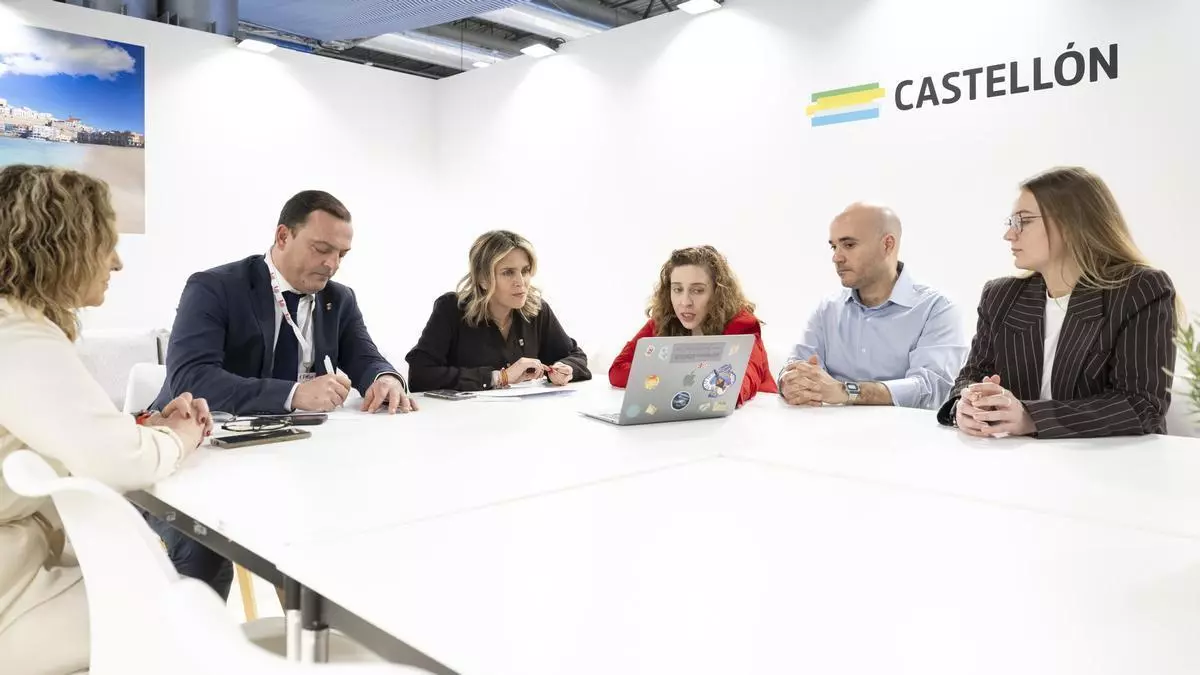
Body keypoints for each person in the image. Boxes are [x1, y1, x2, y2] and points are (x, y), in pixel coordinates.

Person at [148, 189, 414, 599]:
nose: (332, 264)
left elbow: (366, 357)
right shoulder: (215, 287)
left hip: (290, 457)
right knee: (202, 553)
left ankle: (310, 632)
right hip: (202, 455)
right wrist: (293, 394)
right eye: (322, 249)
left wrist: (386, 378)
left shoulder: (339, 299)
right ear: (283, 236)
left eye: (342, 254)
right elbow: (192, 377)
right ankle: (196, 637)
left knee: (336, 533)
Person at [0, 165, 210, 675]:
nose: (116, 262)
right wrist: (181, 436)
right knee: (185, 615)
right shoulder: (18, 336)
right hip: (13, 593)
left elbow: (57, 431)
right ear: (62, 247)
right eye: (107, 244)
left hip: (24, 560)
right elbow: (120, 463)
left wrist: (144, 426)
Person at [939, 166, 1178, 438]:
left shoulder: (1140, 290)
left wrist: (1031, 417)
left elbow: (1141, 405)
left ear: (1071, 224)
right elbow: (971, 376)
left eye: (1023, 221)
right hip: (1015, 457)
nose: (1010, 234)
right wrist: (965, 405)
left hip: (1111, 460)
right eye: (1011, 222)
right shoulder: (1001, 296)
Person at [779, 203, 968, 409]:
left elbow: (930, 389)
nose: (836, 257)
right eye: (834, 247)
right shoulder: (828, 308)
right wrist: (788, 383)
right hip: (827, 428)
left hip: (904, 430)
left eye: (849, 245)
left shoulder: (937, 309)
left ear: (887, 245)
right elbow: (795, 365)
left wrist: (846, 391)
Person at [406, 230, 591, 390]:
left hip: (524, 416)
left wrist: (565, 369)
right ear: (483, 279)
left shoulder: (537, 309)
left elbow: (575, 356)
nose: (521, 282)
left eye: (525, 270)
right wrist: (500, 377)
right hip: (464, 417)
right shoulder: (451, 309)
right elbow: (420, 374)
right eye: (508, 272)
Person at [609, 245, 776, 406]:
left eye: (697, 290)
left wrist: (662, 377)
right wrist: (680, 379)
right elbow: (617, 371)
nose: (685, 302)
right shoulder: (665, 319)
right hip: (685, 416)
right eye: (677, 289)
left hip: (755, 418)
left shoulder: (743, 325)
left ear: (718, 293)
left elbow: (735, 390)